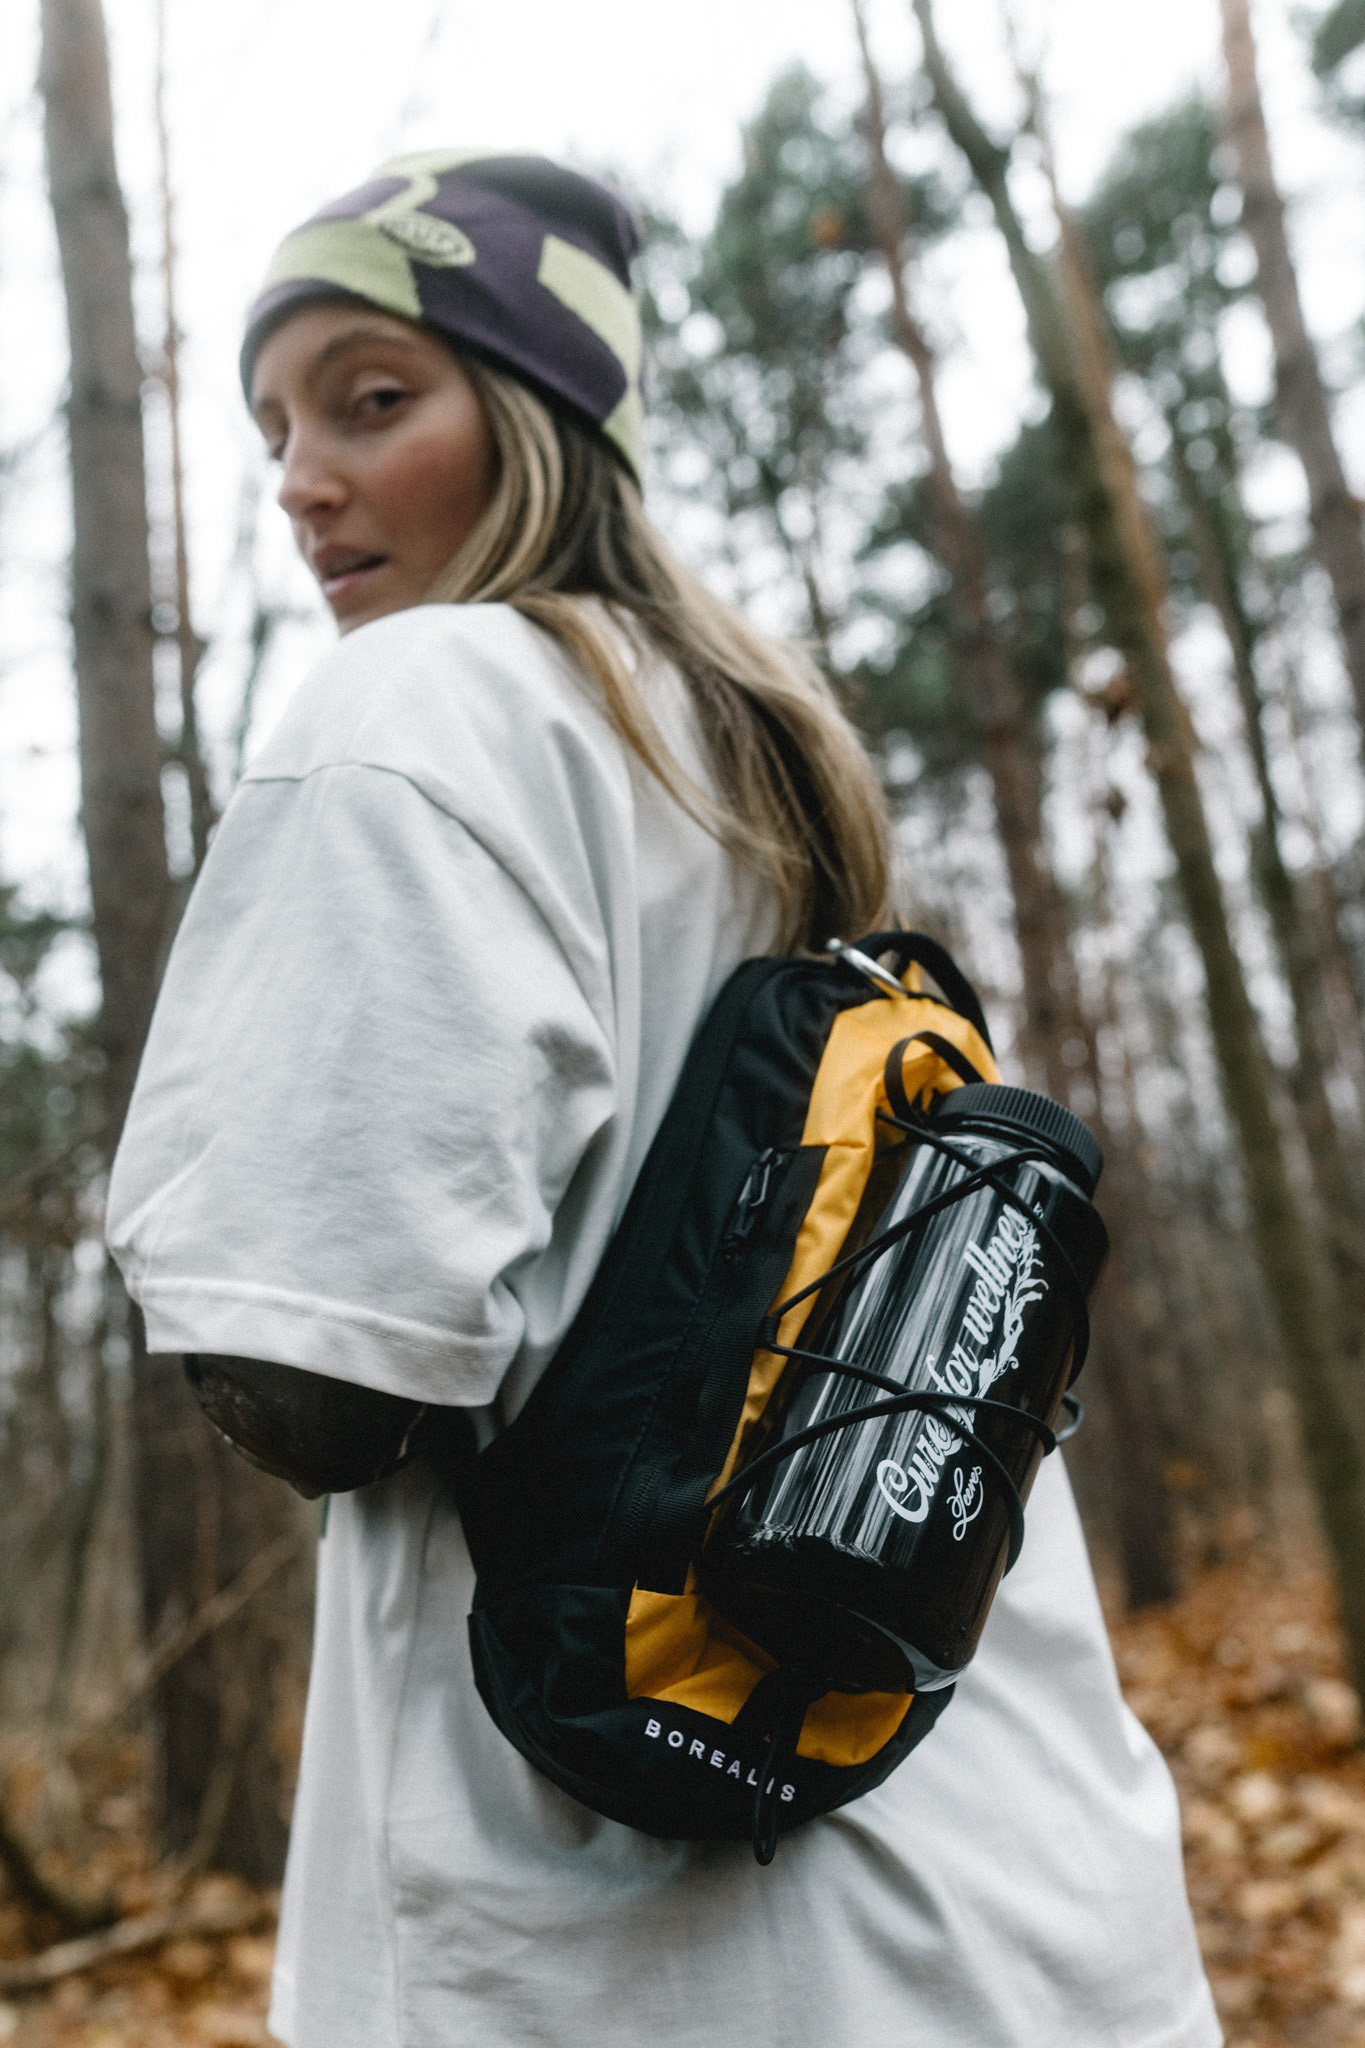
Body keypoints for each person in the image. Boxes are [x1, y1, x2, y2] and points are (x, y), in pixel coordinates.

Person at [106, 151, 1220, 2048]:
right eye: (276, 427)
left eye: (371, 400)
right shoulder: (765, 760)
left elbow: (310, 1371)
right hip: (1031, 1883)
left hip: (642, 1961)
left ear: (539, 420)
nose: (300, 479)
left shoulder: (424, 705)